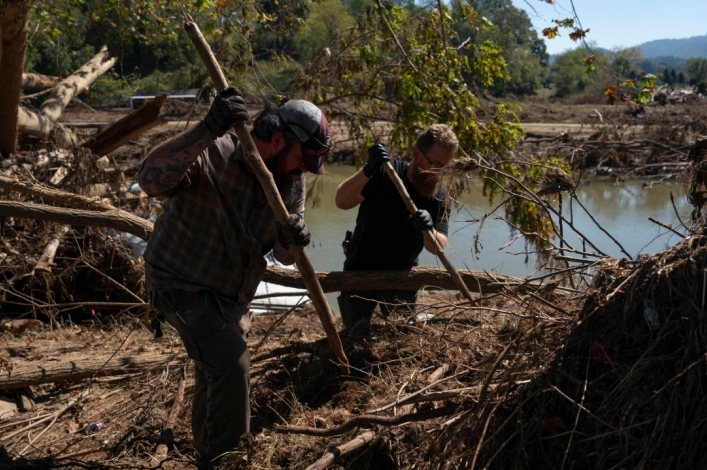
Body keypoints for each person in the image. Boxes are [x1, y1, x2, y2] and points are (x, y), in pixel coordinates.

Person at [137, 88, 331, 469]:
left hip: (229, 299)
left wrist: (294, 239)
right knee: (232, 363)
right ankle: (229, 463)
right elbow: (149, 181)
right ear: (277, 140)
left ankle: (206, 457)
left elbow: (284, 256)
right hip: (179, 282)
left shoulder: (290, 181)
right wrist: (207, 128)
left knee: (214, 370)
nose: (304, 169)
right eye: (301, 158)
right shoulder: (216, 151)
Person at [334, 124, 458, 329]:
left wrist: (428, 230)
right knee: (354, 335)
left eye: (443, 168)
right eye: (434, 164)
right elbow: (341, 201)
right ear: (416, 153)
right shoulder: (385, 173)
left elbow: (438, 246)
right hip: (359, 270)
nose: (438, 173)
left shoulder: (439, 196)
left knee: (402, 338)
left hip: (402, 277)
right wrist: (368, 169)